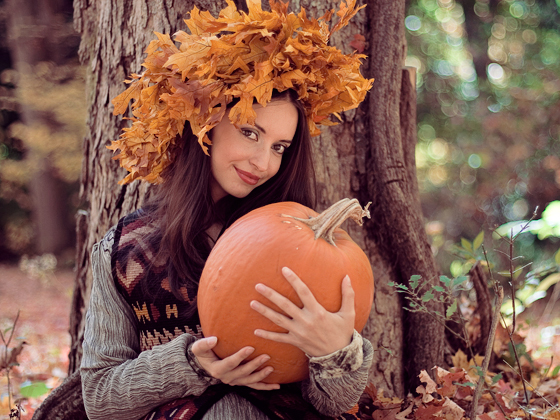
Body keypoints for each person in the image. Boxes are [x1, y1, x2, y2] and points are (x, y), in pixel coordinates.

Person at [80, 1, 374, 419]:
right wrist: (190, 365)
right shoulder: (124, 251)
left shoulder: (308, 247)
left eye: (279, 147)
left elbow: (336, 403)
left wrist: (334, 352)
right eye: (249, 131)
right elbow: (100, 400)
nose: (263, 162)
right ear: (206, 123)